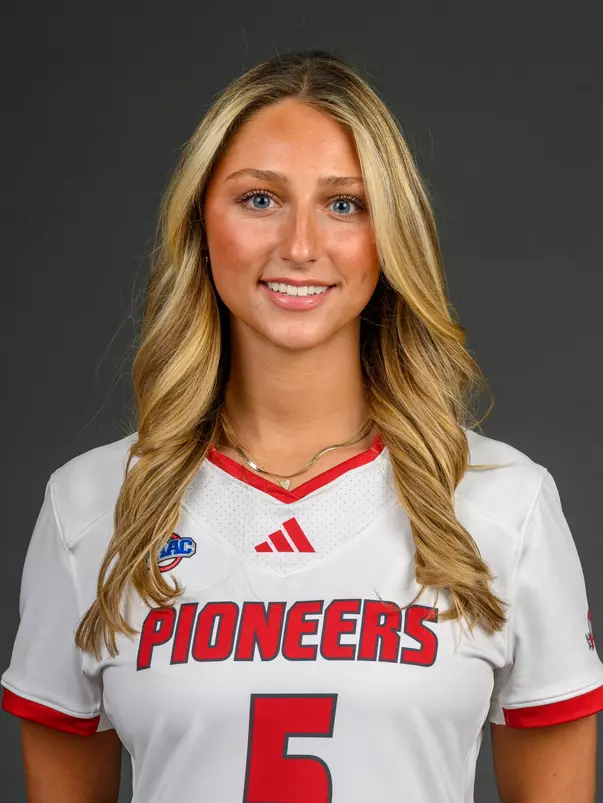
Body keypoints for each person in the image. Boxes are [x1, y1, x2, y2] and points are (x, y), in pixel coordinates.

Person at [2, 49, 602, 803]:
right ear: (200, 222)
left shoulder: (504, 502)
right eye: (259, 199)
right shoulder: (89, 505)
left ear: (391, 234)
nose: (299, 246)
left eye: (344, 204)